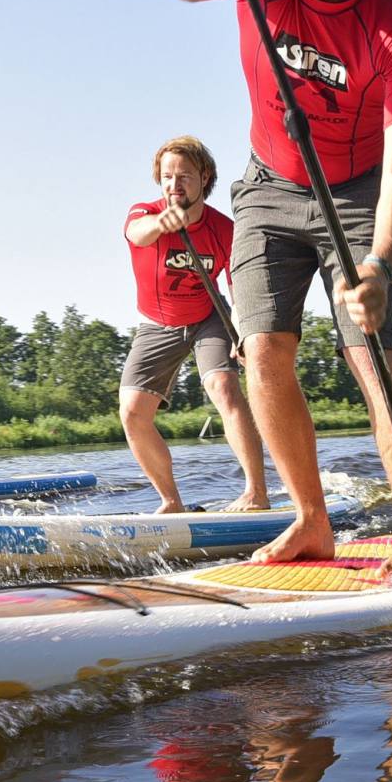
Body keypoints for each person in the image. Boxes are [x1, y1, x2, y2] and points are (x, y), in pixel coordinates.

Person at [171, 0, 392, 579]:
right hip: (269, 185)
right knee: (261, 348)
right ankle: (312, 519)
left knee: (369, 353)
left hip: (358, 192)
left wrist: (379, 261)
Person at [121, 136, 270, 513]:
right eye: (167, 177)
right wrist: (162, 222)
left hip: (208, 318)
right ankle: (171, 502)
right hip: (157, 323)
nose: (174, 185)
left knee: (224, 388)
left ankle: (256, 493)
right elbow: (136, 233)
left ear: (204, 178)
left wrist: (243, 333)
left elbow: (239, 290)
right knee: (132, 412)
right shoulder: (144, 212)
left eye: (184, 176)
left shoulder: (224, 230)